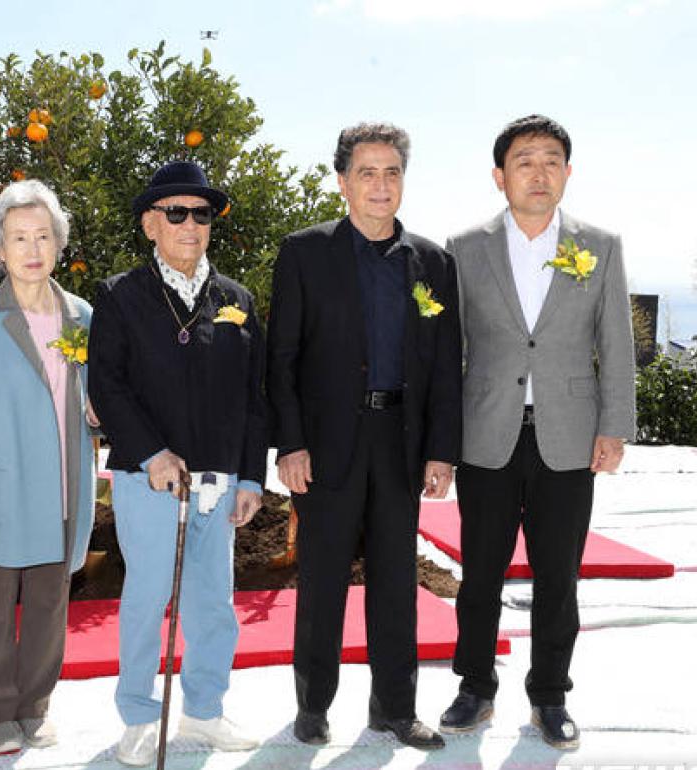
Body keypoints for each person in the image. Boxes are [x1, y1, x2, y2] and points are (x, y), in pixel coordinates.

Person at [439, 115, 636, 751]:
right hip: (487, 432)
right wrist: (441, 442)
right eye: (525, 161)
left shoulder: (600, 245)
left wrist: (614, 427)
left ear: (568, 174)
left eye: (552, 160)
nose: (539, 172)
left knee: (559, 575)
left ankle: (549, 696)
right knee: (481, 573)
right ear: (500, 176)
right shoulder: (465, 247)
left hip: (569, 436)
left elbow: (617, 344)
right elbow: (450, 351)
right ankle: (474, 687)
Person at [265, 123, 461, 751]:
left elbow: (445, 367)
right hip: (325, 446)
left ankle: (395, 709)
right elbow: (282, 358)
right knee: (322, 580)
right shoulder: (304, 254)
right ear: (344, 182)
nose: (381, 185)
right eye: (368, 173)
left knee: (396, 581)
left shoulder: (433, 263)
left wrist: (441, 449)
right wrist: (289, 444)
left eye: (392, 172)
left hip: (401, 441)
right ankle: (313, 705)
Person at [88, 160, 267, 766]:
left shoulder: (237, 301)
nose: (190, 224)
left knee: (214, 600)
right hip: (149, 479)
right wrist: (152, 451)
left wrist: (250, 476)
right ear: (150, 223)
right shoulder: (119, 295)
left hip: (219, 483)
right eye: (176, 213)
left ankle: (204, 711)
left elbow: (254, 398)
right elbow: (107, 385)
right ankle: (138, 715)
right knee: (147, 598)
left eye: (202, 214)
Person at [0, 179, 97, 754]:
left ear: (57, 244)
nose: (32, 248)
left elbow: (96, 401)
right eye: (17, 237)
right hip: (2, 491)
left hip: (63, 488)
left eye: (42, 235)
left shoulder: (82, 315)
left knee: (49, 608)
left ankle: (35, 704)